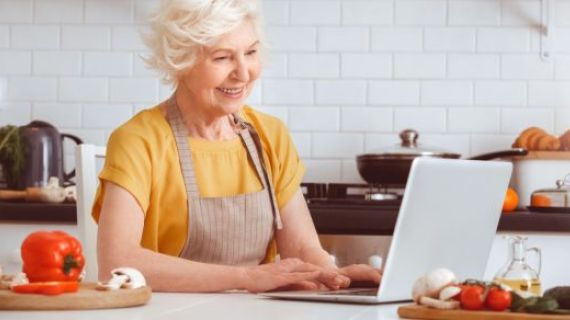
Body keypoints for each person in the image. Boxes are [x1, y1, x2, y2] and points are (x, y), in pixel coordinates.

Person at [93, 0, 381, 293]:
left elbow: (303, 250)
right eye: (222, 58)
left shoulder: (271, 136)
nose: (244, 74)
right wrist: (246, 278)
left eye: (251, 52)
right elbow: (117, 262)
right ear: (181, 61)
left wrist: (336, 276)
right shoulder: (139, 141)